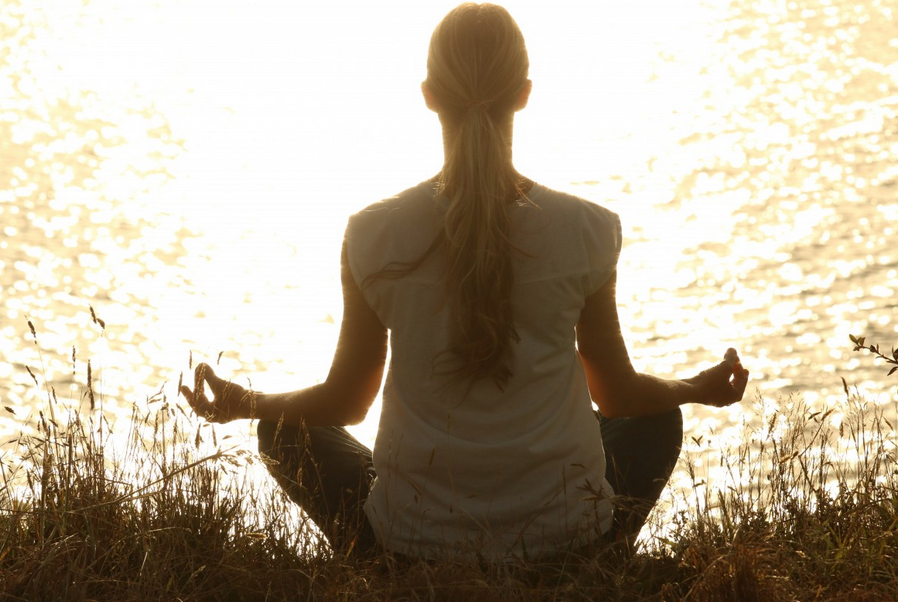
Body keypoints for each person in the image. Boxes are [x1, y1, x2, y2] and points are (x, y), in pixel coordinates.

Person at [180, 2, 749, 562]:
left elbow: (346, 403)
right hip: (564, 534)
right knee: (655, 417)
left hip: (412, 541)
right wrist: (694, 390)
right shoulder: (588, 229)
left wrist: (245, 402)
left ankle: (381, 562)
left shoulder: (372, 233)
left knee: (284, 432)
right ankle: (589, 554)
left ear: (428, 95)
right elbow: (617, 394)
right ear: (524, 93)